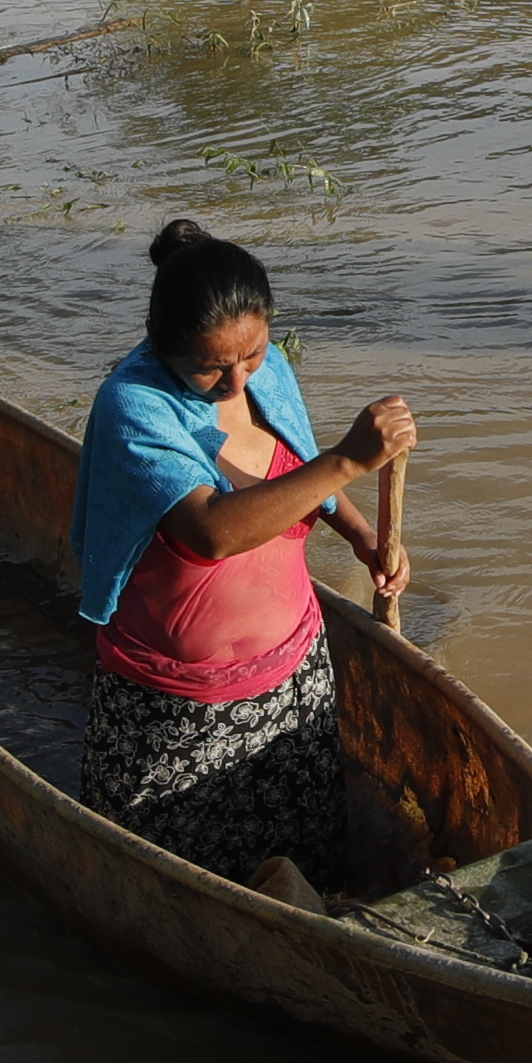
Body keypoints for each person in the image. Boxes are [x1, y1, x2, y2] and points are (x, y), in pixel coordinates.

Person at [71, 221, 412, 904]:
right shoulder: (134, 404)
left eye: (250, 355)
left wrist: (359, 535)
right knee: (175, 887)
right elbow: (211, 533)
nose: (234, 382)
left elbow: (299, 470)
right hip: (180, 706)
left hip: (292, 676)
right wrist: (348, 457)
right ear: (161, 345)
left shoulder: (269, 371)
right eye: (208, 368)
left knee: (304, 859)